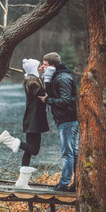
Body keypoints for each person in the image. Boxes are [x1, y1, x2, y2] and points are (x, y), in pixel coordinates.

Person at [0, 58, 51, 189]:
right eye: (39, 66)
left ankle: (22, 182)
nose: (42, 67)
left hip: (32, 119)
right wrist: (48, 77)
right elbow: (45, 95)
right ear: (34, 69)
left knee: (29, 150)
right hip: (34, 120)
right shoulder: (33, 83)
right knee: (34, 150)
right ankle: (9, 140)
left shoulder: (33, 80)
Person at [38, 52, 79, 192]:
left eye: (45, 64)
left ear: (52, 65)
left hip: (67, 120)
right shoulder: (57, 76)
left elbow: (65, 100)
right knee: (73, 153)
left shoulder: (62, 78)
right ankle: (77, 183)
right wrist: (46, 79)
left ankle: (64, 183)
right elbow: (54, 93)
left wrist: (47, 101)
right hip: (68, 120)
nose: (42, 67)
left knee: (68, 153)